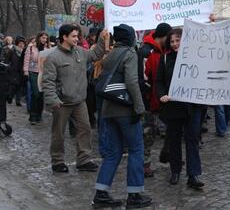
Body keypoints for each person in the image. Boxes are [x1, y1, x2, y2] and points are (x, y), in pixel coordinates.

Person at [92, 24, 152, 209]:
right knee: (136, 150)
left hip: (108, 110)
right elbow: (132, 82)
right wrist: (140, 108)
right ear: (131, 38)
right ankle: (134, 195)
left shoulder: (109, 54)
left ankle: (101, 194)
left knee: (113, 153)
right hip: (125, 110)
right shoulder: (129, 54)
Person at [42, 24, 108, 173]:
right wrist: (53, 100)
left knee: (85, 129)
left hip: (80, 101)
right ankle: (58, 161)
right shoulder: (53, 57)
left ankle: (84, 160)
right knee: (58, 133)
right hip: (61, 103)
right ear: (64, 37)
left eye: (77, 36)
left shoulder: (80, 52)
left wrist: (102, 40)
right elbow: (48, 81)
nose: (77, 39)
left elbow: (96, 54)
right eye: (73, 36)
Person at [156, 28, 204, 188]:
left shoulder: (194, 57)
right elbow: (159, 81)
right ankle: (175, 171)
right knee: (174, 140)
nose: (175, 44)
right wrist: (162, 95)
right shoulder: (165, 59)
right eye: (172, 41)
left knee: (192, 140)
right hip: (173, 106)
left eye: (178, 40)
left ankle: (193, 174)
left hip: (192, 106)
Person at [141, 22, 172, 176]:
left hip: (163, 100)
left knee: (170, 129)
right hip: (149, 101)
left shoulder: (166, 51)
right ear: (164, 36)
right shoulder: (146, 52)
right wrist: (152, 95)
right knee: (148, 134)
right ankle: (144, 164)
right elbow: (143, 79)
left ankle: (167, 154)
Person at [23, 31, 49, 124]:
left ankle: (39, 114)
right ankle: (33, 116)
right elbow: (26, 60)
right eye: (43, 38)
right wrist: (26, 71)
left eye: (46, 38)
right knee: (35, 93)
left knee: (41, 95)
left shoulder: (47, 48)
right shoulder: (31, 48)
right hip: (33, 72)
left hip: (43, 73)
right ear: (39, 38)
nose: (44, 40)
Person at [3, 36, 26, 106]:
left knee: (19, 86)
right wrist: (8, 67)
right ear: (17, 44)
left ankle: (18, 101)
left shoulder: (24, 52)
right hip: (13, 70)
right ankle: (10, 96)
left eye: (23, 43)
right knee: (13, 85)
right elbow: (7, 60)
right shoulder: (12, 51)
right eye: (20, 43)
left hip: (21, 71)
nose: (21, 45)